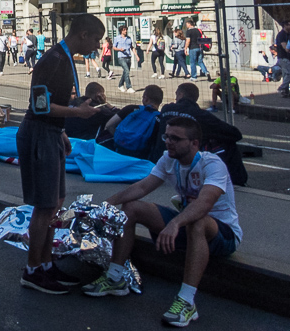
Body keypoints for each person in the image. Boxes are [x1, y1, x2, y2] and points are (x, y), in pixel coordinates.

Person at [81, 117, 242, 328]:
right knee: (131, 207)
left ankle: (186, 301)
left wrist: (175, 224)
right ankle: (115, 278)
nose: (168, 142)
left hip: (223, 233)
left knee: (197, 221)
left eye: (176, 138)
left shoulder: (212, 164)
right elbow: (142, 187)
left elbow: (204, 204)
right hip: (187, 224)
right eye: (167, 136)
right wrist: (107, 203)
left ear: (194, 143)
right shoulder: (169, 159)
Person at [17, 13, 104, 294]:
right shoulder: (54, 59)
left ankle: (45, 264)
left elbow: (52, 102)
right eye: (96, 39)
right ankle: (32, 270)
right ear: (83, 35)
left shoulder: (63, 58)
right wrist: (76, 112)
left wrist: (64, 128)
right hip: (39, 132)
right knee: (45, 205)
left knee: (56, 201)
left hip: (51, 133)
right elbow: (39, 105)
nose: (98, 45)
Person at [155, 82, 247, 186]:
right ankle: (237, 180)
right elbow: (235, 134)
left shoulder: (166, 109)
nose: (175, 98)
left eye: (176, 95)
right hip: (183, 159)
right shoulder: (200, 115)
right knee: (229, 143)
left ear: (180, 95)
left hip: (160, 157)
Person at [103, 84, 164, 159]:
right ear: (160, 102)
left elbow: (109, 125)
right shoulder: (160, 119)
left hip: (119, 154)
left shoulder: (130, 109)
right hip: (141, 159)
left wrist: (121, 139)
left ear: (146, 99)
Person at [113, 25, 134, 92]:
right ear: (121, 31)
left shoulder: (129, 38)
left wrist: (136, 55)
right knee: (127, 71)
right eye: (124, 30)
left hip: (128, 57)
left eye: (126, 30)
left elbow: (132, 47)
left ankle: (120, 85)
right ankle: (129, 87)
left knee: (125, 72)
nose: (126, 31)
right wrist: (119, 49)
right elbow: (114, 47)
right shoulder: (117, 38)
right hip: (121, 57)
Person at [275, 20, 290, 98]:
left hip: (288, 58)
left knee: (286, 75)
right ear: (285, 26)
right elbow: (285, 48)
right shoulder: (281, 35)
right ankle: (282, 88)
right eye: (289, 25)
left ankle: (285, 91)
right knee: (288, 74)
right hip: (283, 58)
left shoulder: (288, 34)